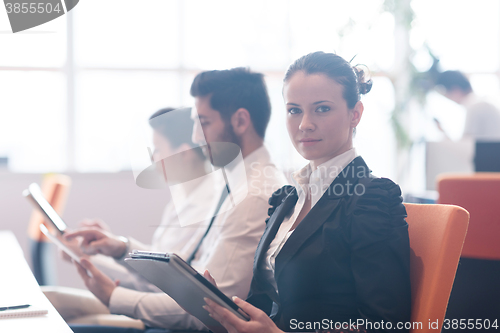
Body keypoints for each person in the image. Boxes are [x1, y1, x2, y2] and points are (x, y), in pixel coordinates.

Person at [64, 68, 287, 332]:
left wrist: (116, 298)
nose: (195, 137)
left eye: (203, 122)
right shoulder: (236, 182)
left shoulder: (254, 195)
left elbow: (209, 309)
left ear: (240, 121)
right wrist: (122, 248)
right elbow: (188, 270)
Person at [203, 52, 412, 333]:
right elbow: (270, 302)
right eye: (294, 110)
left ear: (355, 114)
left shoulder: (371, 198)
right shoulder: (288, 199)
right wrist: (228, 313)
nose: (304, 124)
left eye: (322, 109)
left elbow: (385, 324)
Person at [435, 70, 500, 141]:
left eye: (446, 94)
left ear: (455, 90)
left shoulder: (476, 107)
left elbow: (466, 148)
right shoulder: (480, 103)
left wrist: (443, 132)